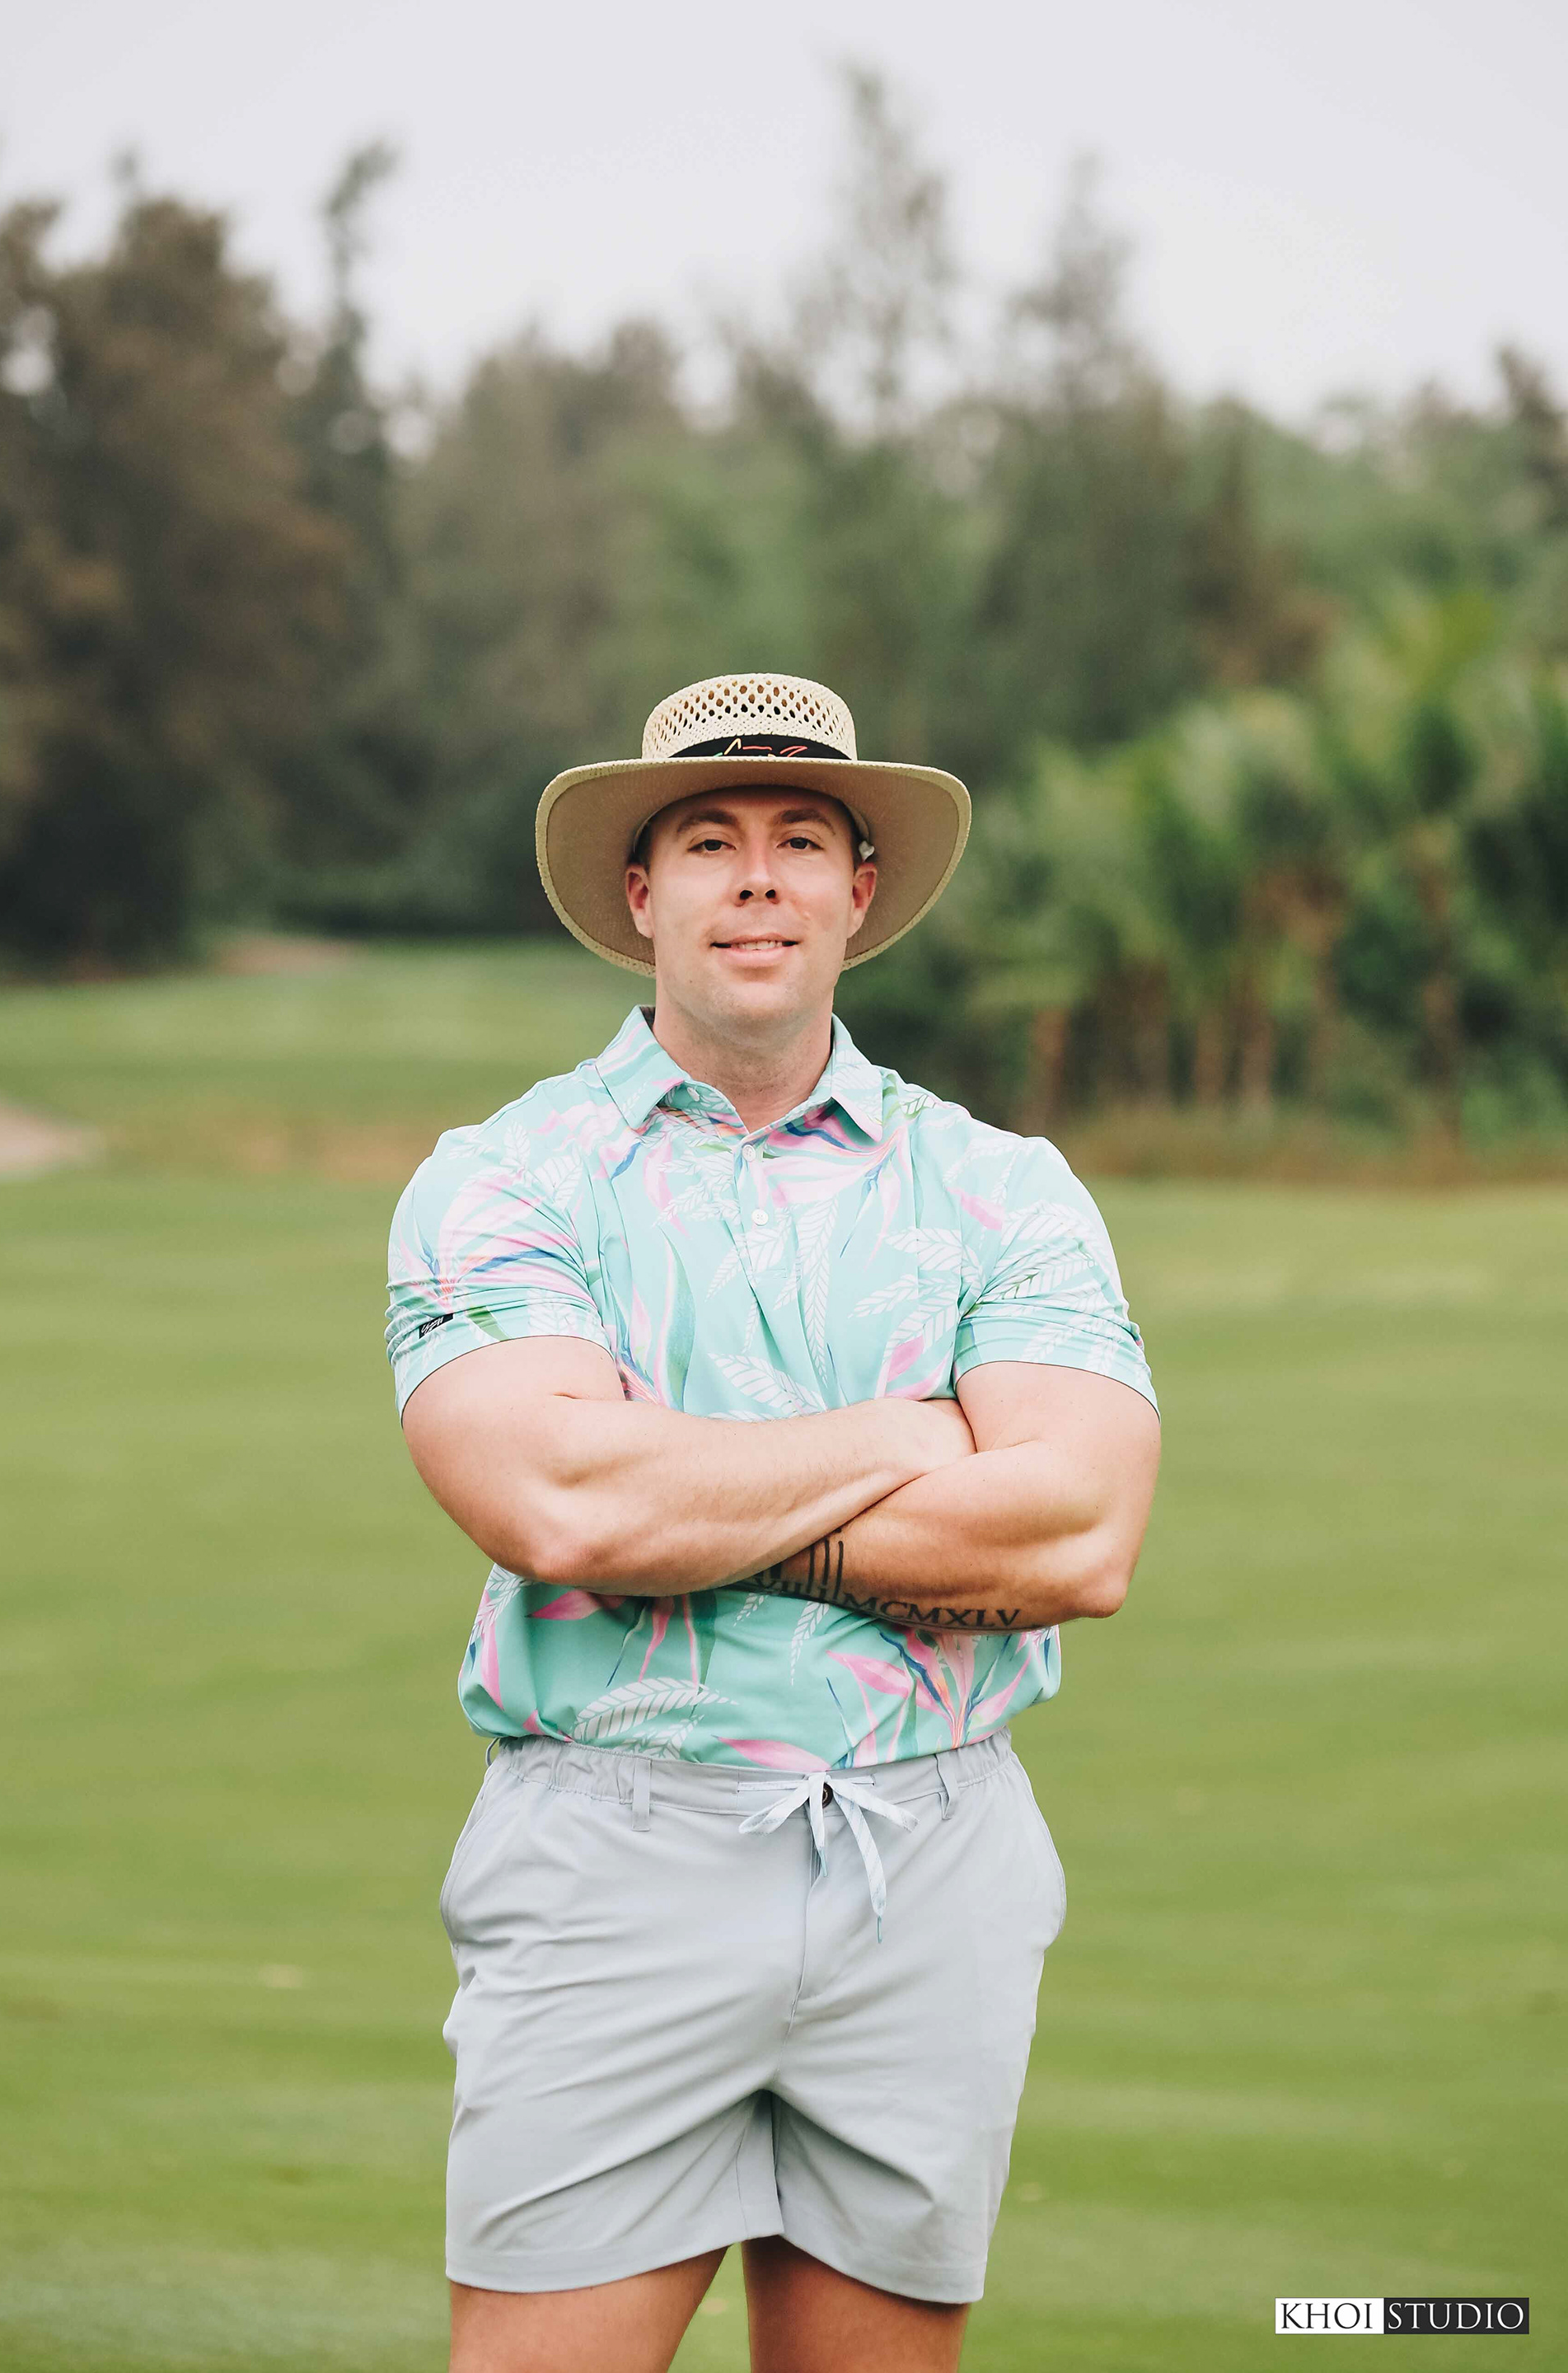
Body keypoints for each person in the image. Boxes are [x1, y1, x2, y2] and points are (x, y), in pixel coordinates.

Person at [386, 672, 1160, 2373]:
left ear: (857, 894)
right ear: (640, 895)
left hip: (932, 1856)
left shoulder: (1000, 1186)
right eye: (710, 840)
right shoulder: (506, 1178)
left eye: (802, 838)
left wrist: (701, 1494)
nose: (758, 877)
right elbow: (557, 1501)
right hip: (618, 1857)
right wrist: (912, 1437)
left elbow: (1078, 1536)